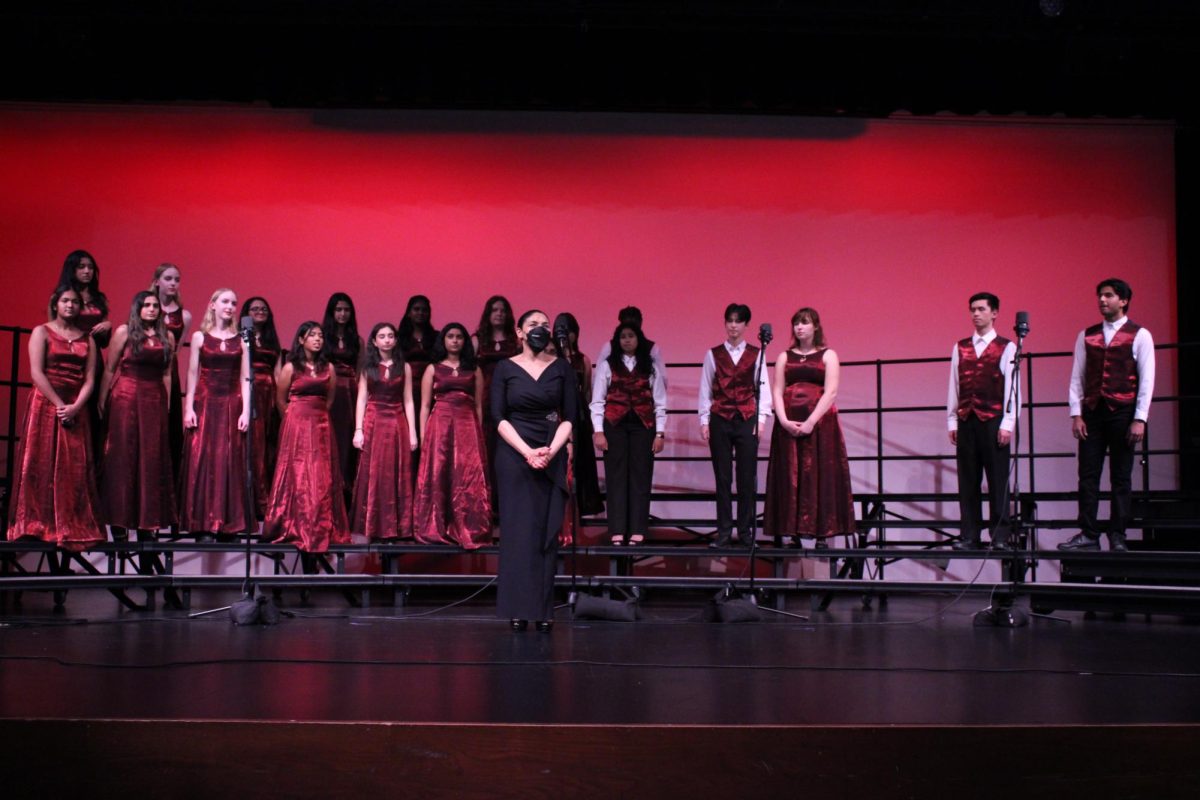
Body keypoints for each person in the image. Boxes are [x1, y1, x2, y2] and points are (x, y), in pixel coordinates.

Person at [492, 310, 577, 632]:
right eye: (533, 325)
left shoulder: (562, 369)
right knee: (518, 533)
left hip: (549, 451)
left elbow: (569, 416)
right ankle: (516, 608)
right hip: (515, 455)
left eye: (545, 326)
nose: (540, 330)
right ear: (519, 332)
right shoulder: (505, 368)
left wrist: (549, 452)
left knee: (544, 535)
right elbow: (498, 416)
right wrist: (527, 453)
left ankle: (542, 610)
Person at [1059, 278, 1155, 553]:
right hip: (1092, 412)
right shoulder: (1086, 335)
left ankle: (1117, 534)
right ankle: (1089, 533)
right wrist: (1076, 413)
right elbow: (1077, 376)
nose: (1102, 300)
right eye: (1100, 295)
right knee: (1087, 475)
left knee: (1121, 476)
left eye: (1109, 295)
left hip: (1123, 412)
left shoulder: (1140, 335)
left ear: (1123, 301)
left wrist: (1140, 418)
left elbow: (1147, 380)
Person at [7, 287, 105, 550]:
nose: (70, 305)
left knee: (74, 466)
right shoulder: (42, 332)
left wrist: (75, 407)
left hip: (75, 406)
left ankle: (71, 523)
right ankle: (36, 523)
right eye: (65, 301)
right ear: (56, 304)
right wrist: (61, 405)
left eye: (74, 302)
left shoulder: (88, 339)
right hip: (46, 403)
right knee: (40, 462)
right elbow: (37, 373)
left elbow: (91, 379)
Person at [763, 307, 855, 548]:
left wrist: (811, 421)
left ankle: (822, 532)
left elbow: (831, 391)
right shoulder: (785, 356)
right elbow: (776, 389)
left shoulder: (828, 355)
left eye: (804, 323)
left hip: (820, 424)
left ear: (815, 326)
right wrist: (782, 420)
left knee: (819, 474)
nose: (799, 327)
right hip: (789, 423)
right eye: (796, 323)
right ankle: (791, 532)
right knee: (790, 476)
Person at [97, 291, 177, 540]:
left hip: (154, 399)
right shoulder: (124, 332)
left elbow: (167, 374)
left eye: (155, 305)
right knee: (123, 456)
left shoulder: (168, 336)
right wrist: (102, 400)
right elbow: (110, 369)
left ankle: (147, 520)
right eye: (146, 305)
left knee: (151, 459)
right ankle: (119, 523)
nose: (152, 309)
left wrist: (167, 405)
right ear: (137, 308)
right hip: (126, 397)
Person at [264, 322, 351, 552]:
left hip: (320, 424)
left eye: (321, 335)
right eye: (312, 335)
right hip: (296, 425)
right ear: (301, 340)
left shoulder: (328, 368)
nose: (318, 339)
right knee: (297, 473)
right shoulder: (290, 367)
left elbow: (330, 400)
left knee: (320, 474)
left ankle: (320, 523)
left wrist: (317, 417)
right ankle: (293, 523)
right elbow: (280, 400)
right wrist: (294, 421)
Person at [945, 292, 1018, 550]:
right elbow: (954, 386)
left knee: (998, 479)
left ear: (994, 313)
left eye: (981, 309)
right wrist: (952, 421)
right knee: (968, 480)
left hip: (993, 419)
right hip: (967, 419)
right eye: (972, 309)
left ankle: (999, 536)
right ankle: (970, 535)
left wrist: (1008, 423)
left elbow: (1013, 389)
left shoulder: (1007, 346)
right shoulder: (960, 347)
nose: (976, 314)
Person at [178, 288, 253, 539]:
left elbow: (246, 377)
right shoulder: (200, 337)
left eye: (234, 302)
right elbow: (192, 374)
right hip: (206, 403)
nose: (230, 306)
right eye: (225, 301)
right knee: (205, 459)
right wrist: (188, 407)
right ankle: (203, 523)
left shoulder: (242, 339)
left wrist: (245, 410)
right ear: (212, 305)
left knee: (229, 460)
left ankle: (228, 524)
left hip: (232, 404)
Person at [698, 303, 772, 549]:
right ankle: (723, 532)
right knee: (722, 478)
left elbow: (762, 387)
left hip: (746, 419)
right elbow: (705, 389)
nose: (733, 325)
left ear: (746, 325)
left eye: (738, 321)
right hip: (720, 418)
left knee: (746, 478)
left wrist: (760, 420)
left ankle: (746, 532)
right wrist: (704, 420)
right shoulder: (713, 354)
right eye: (729, 320)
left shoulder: (756, 353)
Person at [413, 323, 492, 548]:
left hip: (467, 425)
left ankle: (469, 526)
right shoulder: (433, 368)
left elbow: (478, 405)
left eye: (459, 337)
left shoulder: (474, 369)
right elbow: (425, 405)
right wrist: (424, 435)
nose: (455, 340)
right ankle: (436, 526)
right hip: (440, 425)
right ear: (443, 340)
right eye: (450, 336)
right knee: (439, 473)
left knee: (466, 475)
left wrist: (478, 432)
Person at [590, 323, 666, 546]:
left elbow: (660, 402)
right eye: (623, 337)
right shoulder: (607, 365)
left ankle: (638, 529)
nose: (627, 340)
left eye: (631, 336)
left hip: (643, 426)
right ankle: (617, 529)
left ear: (638, 339)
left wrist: (659, 433)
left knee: (641, 477)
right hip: (615, 426)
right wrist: (598, 431)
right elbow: (597, 401)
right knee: (616, 478)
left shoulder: (650, 367)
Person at [351, 323, 417, 541]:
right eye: (382, 336)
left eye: (390, 336)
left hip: (397, 422)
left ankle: (396, 527)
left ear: (396, 340)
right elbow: (361, 398)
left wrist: (413, 432)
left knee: (395, 472)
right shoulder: (367, 367)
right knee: (375, 472)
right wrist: (358, 429)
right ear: (374, 341)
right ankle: (372, 525)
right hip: (374, 422)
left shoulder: (403, 366)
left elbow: (408, 400)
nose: (387, 339)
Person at [58, 250, 110, 456]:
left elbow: (104, 343)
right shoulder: (64, 297)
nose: (87, 271)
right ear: (72, 269)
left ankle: (91, 466)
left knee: (94, 411)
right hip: (71, 358)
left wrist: (107, 326)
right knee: (72, 408)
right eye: (82, 267)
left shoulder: (99, 298)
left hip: (94, 359)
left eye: (90, 267)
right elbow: (55, 330)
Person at [553, 312, 603, 525]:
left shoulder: (583, 360)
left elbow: (589, 392)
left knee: (581, 461)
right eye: (560, 330)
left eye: (569, 331)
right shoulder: (550, 358)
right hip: (556, 412)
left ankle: (582, 506)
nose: (565, 336)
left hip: (579, 413)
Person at [473, 295, 520, 509]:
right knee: (486, 450)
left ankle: (508, 506)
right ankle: (486, 507)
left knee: (509, 452)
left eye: (502, 310)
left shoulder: (516, 342)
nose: (499, 313)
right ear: (488, 314)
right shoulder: (477, 340)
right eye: (494, 310)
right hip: (484, 399)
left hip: (510, 401)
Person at [241, 296, 284, 519]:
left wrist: (279, 403)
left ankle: (265, 500)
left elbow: (277, 372)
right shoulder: (240, 337)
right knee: (252, 445)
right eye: (254, 309)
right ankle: (249, 502)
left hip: (269, 394)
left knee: (267, 446)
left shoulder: (272, 340)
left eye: (264, 309)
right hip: (249, 391)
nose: (260, 312)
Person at [150, 263, 191, 479]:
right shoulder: (146, 307)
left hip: (168, 370)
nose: (173, 283)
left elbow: (177, 349)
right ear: (157, 281)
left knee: (169, 421)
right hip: (147, 367)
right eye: (168, 278)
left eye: (176, 279)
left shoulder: (184, 316)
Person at [322, 292, 362, 494]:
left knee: (347, 441)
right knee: (329, 438)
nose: (343, 314)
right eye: (338, 309)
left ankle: (345, 490)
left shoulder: (357, 339)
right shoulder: (322, 336)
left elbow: (360, 370)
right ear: (332, 312)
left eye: (347, 310)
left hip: (350, 394)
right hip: (329, 391)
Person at [596, 305, 668, 387]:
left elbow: (662, 379)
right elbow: (598, 377)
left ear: (640, 323)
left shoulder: (652, 348)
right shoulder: (609, 347)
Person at [398, 294, 436, 430]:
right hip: (407, 388)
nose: (421, 313)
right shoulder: (399, 338)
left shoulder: (437, 337)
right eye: (416, 309)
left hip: (431, 389)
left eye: (424, 310)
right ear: (409, 313)